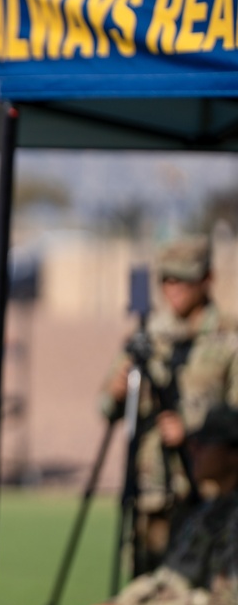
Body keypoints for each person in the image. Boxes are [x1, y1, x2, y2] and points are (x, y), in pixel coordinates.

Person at [0, 404, 238, 605]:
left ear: (233, 454)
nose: (193, 449)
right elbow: (168, 580)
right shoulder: (210, 512)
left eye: (206, 443)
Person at [99, 235, 238, 575]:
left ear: (207, 279)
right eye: (167, 279)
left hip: (201, 494)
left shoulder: (229, 338)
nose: (173, 288)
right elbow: (106, 408)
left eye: (184, 279)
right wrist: (117, 391)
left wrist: (190, 433)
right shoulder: (149, 337)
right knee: (142, 594)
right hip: (148, 492)